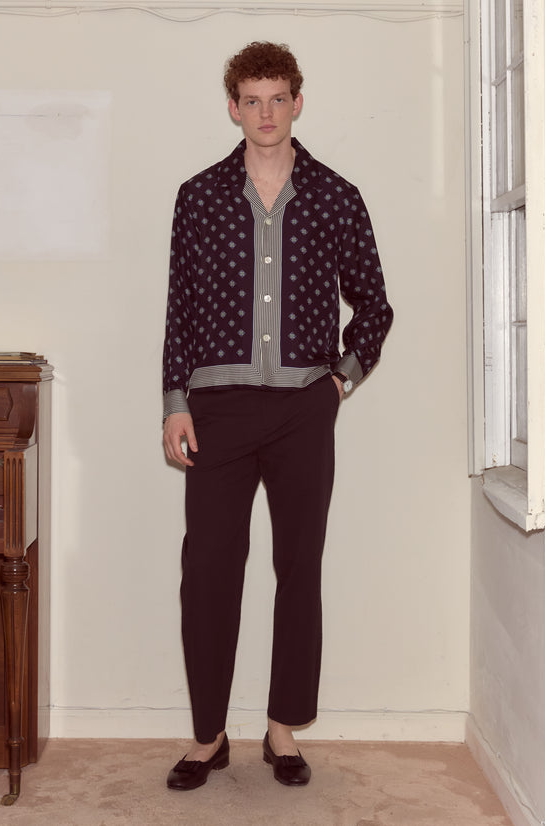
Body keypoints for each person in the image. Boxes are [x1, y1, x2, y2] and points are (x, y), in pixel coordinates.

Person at [162, 41, 393, 791]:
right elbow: (180, 309)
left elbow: (375, 306)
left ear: (298, 102)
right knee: (208, 569)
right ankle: (208, 737)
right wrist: (175, 401)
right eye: (252, 100)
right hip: (218, 410)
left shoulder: (336, 197)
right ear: (233, 108)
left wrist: (339, 383)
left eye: (278, 98)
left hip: (303, 409)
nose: (266, 113)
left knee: (299, 566)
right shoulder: (199, 197)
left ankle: (282, 729)